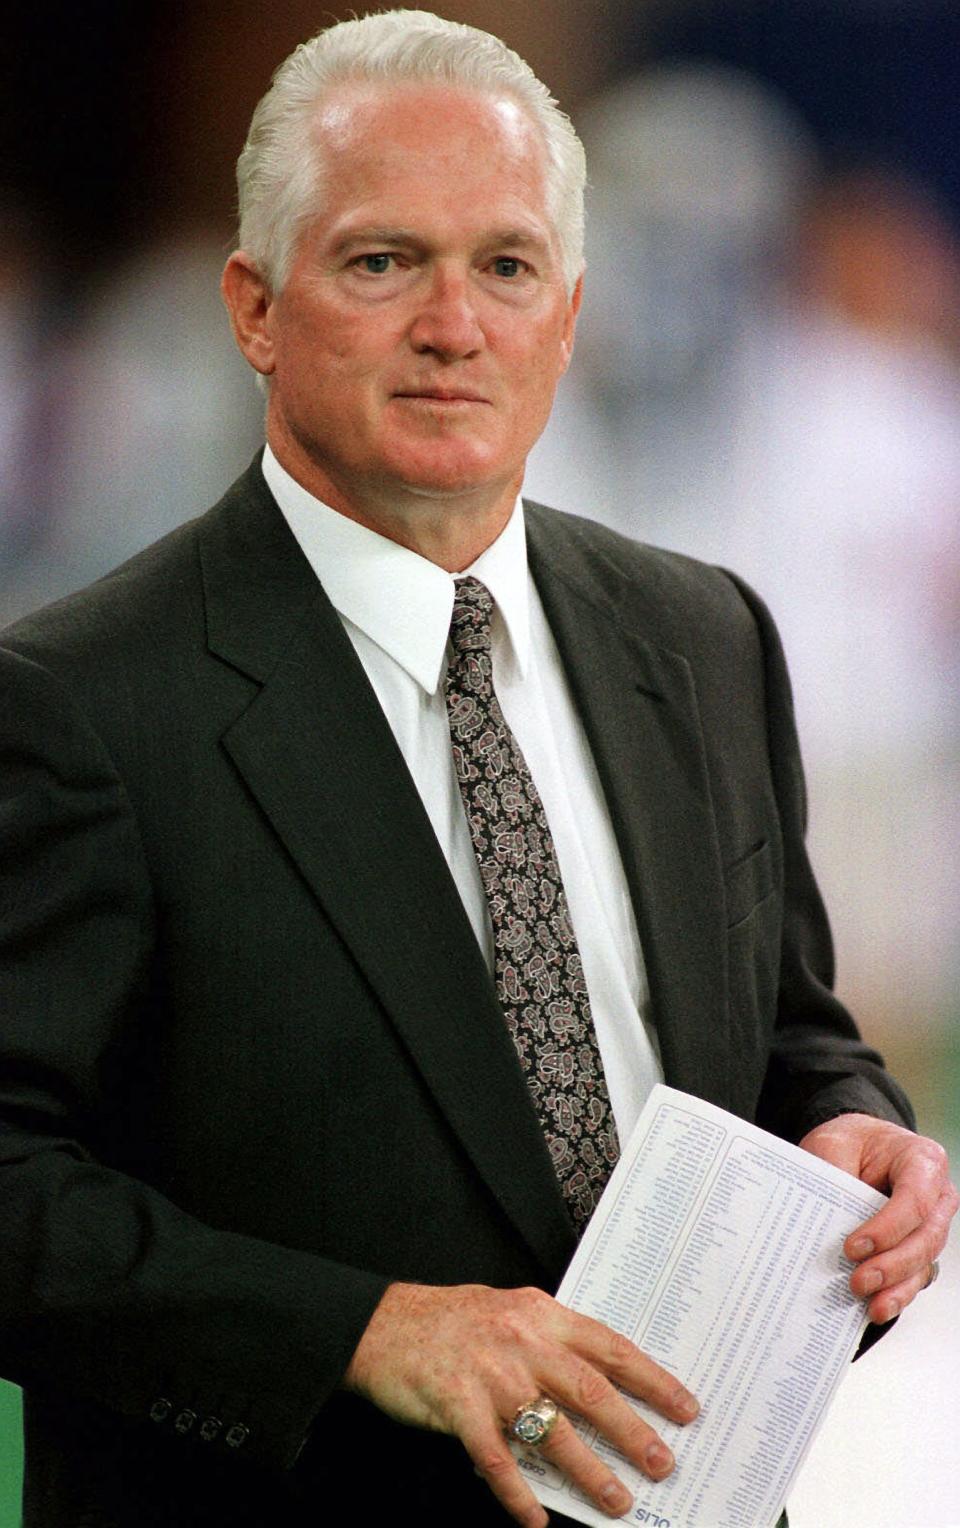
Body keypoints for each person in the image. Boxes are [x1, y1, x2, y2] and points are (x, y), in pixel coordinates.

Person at [0, 12, 954, 1528]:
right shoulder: (77, 704)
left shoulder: (702, 638)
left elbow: (789, 1032)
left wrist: (857, 1138)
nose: (456, 323)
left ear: (568, 312)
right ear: (253, 307)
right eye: (384, 263)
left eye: (506, 267)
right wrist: (369, 1330)